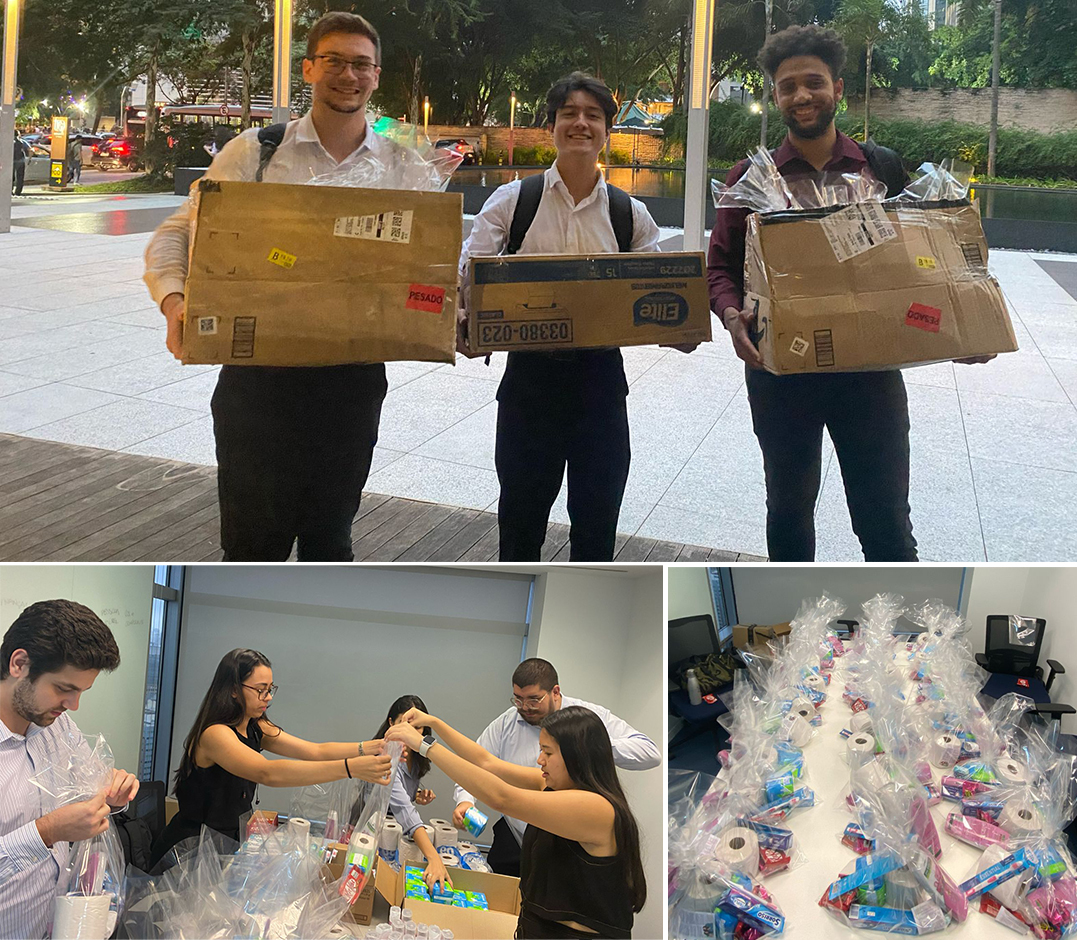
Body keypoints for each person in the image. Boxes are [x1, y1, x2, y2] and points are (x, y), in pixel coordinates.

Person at [706, 24, 995, 563]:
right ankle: (792, 627)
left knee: (885, 520)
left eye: (813, 82)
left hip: (870, 375)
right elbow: (719, 266)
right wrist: (730, 314)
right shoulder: (750, 178)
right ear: (776, 97)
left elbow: (921, 267)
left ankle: (902, 631)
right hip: (782, 374)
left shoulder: (879, 168)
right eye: (789, 86)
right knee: (788, 514)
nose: (802, 95)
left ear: (838, 89)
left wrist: (960, 327)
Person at [144, 11, 398, 562]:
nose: (347, 75)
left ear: (376, 76)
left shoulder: (401, 169)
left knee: (331, 543)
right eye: (333, 61)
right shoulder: (256, 152)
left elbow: (425, 267)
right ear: (308, 68)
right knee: (251, 545)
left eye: (361, 64)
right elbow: (176, 235)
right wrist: (174, 301)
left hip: (350, 387)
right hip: (257, 384)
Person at [458, 72, 682, 562]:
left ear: (606, 129)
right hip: (528, 388)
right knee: (519, 523)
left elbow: (663, 287)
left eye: (593, 116)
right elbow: (467, 276)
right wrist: (465, 322)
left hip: (600, 387)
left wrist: (677, 326)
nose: (581, 123)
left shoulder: (629, 213)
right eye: (569, 114)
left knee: (598, 528)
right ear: (552, 126)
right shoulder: (514, 201)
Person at [387, 704, 645, 939]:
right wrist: (435, 722)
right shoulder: (553, 786)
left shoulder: (597, 808)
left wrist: (424, 746)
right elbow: (486, 762)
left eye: (547, 752)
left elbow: (501, 797)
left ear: (577, 756)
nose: (539, 760)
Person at [148, 648, 391, 868]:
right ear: (233, 689)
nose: (268, 697)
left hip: (224, 847)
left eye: (270, 689)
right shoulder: (215, 734)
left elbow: (316, 752)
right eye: (260, 690)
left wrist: (373, 747)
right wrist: (351, 769)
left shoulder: (255, 726)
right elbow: (268, 773)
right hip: (189, 854)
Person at [0, 600, 141, 940]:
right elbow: (53, 829)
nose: (73, 705)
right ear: (19, 663)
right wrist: (46, 831)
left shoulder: (58, 728)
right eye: (64, 689)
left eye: (81, 692)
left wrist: (113, 794)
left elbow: (87, 786)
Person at [452, 658, 659, 878]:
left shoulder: (584, 719)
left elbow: (649, 753)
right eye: (518, 700)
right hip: (516, 836)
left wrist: (587, 746)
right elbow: (479, 763)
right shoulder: (508, 723)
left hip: (565, 840)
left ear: (555, 692)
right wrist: (465, 800)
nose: (525, 708)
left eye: (534, 700)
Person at [372, 694, 452, 891]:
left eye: (416, 727)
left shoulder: (416, 756)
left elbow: (399, 796)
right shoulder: (386, 757)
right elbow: (404, 811)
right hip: (374, 835)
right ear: (391, 723)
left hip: (398, 836)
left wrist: (415, 796)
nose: (410, 732)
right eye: (402, 724)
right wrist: (434, 857)